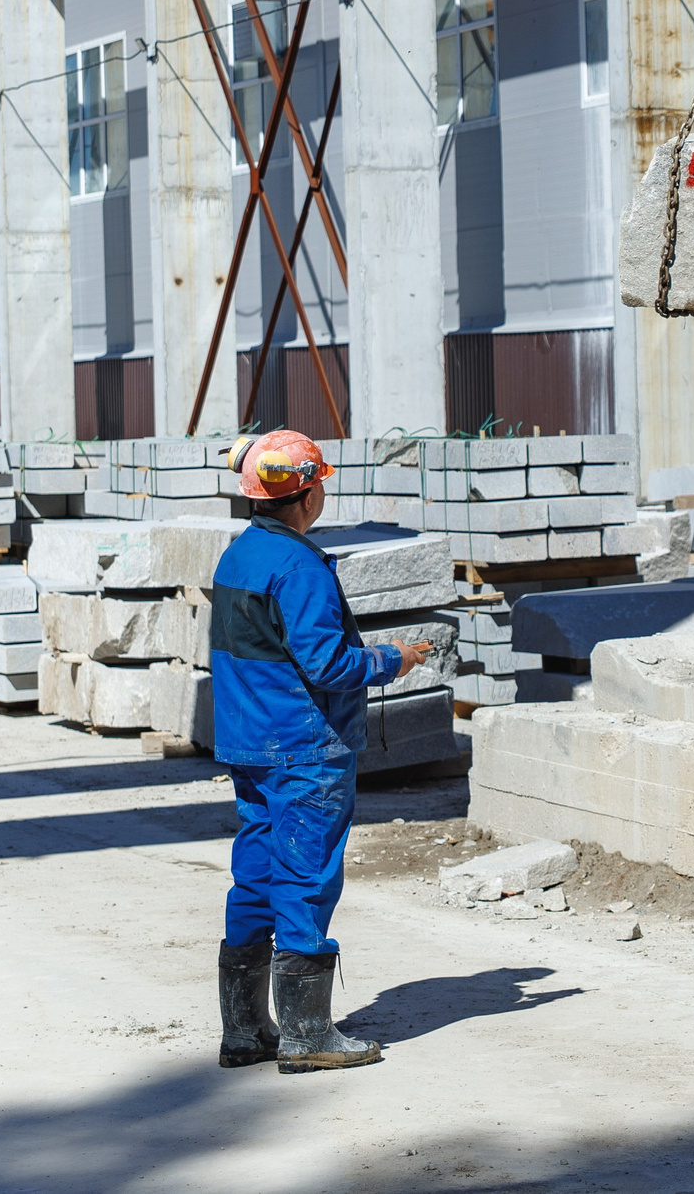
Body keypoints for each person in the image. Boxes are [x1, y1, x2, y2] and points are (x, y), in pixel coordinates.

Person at [210, 430, 434, 1074]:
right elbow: (329, 664)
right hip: (303, 747)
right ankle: (307, 1034)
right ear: (307, 494)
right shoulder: (299, 566)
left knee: (256, 876)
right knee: (305, 878)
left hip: (252, 742)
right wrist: (393, 659)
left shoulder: (239, 555)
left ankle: (245, 1031)